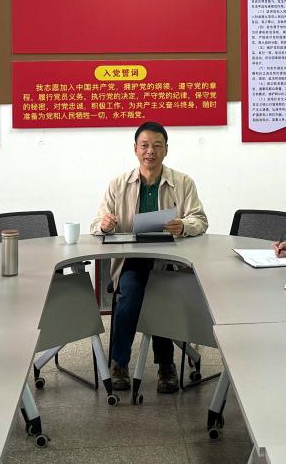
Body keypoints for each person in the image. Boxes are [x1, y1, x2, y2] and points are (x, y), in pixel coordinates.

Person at [90, 121, 208, 394]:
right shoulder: (118, 184)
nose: (150, 151)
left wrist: (183, 225)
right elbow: (97, 223)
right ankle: (119, 363)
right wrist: (105, 225)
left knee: (162, 294)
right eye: (144, 145)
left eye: (157, 145)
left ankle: (166, 365)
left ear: (166, 149)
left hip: (169, 261)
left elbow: (200, 220)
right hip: (131, 260)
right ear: (135, 149)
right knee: (130, 293)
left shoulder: (183, 182)